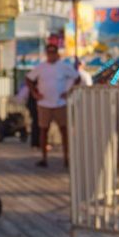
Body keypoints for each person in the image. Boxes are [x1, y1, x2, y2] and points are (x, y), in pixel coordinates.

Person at [23, 40, 89, 168]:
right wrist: (35, 93)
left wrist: (68, 92)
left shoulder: (63, 66)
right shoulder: (41, 67)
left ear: (57, 54)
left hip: (60, 103)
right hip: (44, 103)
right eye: (49, 53)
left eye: (53, 53)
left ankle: (66, 158)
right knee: (43, 130)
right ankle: (44, 157)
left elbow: (77, 77)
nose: (51, 55)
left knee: (64, 131)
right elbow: (29, 78)